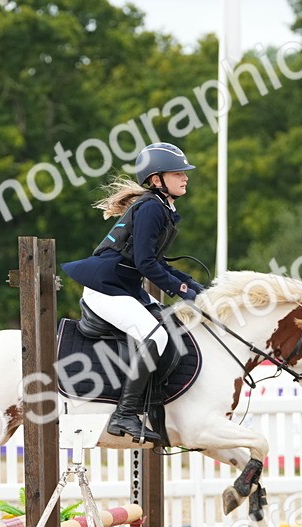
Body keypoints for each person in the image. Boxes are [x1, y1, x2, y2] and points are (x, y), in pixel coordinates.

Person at [60, 142, 204, 443]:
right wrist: (180, 290)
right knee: (157, 336)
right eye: (178, 173)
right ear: (156, 179)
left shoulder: (160, 206)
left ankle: (152, 403)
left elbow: (156, 261)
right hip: (106, 289)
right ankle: (124, 414)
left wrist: (193, 286)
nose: (185, 177)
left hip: (124, 287)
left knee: (169, 327)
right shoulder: (152, 207)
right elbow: (146, 263)